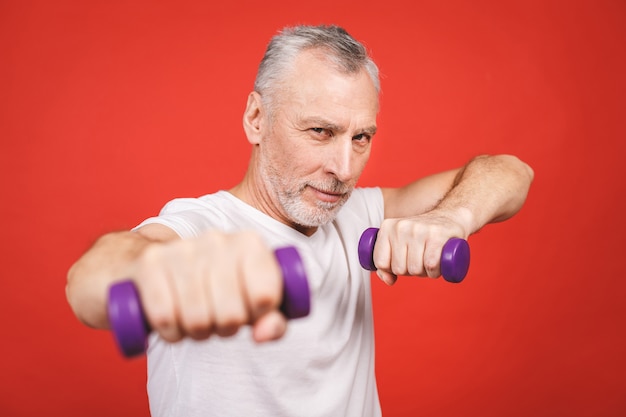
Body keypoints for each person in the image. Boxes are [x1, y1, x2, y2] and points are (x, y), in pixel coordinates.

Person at [66, 24, 534, 417]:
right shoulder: (200, 226)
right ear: (256, 118)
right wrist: (160, 274)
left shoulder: (361, 212)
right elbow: (91, 282)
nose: (344, 169)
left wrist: (451, 217)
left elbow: (511, 171)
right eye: (320, 131)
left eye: (361, 137)